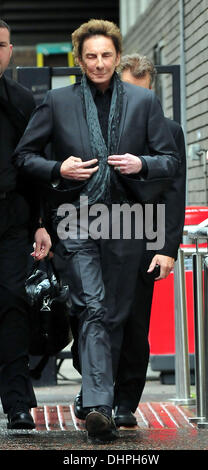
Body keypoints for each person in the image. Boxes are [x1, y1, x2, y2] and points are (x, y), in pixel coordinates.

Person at [13, 19, 180, 442]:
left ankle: (100, 398)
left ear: (117, 56)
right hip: (78, 218)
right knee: (92, 308)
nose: (99, 63)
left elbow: (170, 162)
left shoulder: (144, 103)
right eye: (91, 56)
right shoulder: (57, 101)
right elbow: (25, 156)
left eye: (107, 55)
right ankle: (101, 406)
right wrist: (58, 168)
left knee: (117, 314)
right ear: (79, 59)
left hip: (128, 221)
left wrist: (142, 164)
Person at [111, 54, 186, 426]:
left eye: (143, 96)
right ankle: (96, 392)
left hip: (146, 232)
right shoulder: (99, 122)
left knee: (136, 322)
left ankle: (126, 401)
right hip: (100, 231)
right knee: (95, 316)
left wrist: (168, 249)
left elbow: (175, 191)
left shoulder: (169, 131)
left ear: (152, 93)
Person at [0, 19, 52, 430]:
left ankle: (17, 402)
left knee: (14, 305)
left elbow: (33, 165)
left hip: (12, 220)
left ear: (10, 50)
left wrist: (39, 222)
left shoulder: (20, 100)